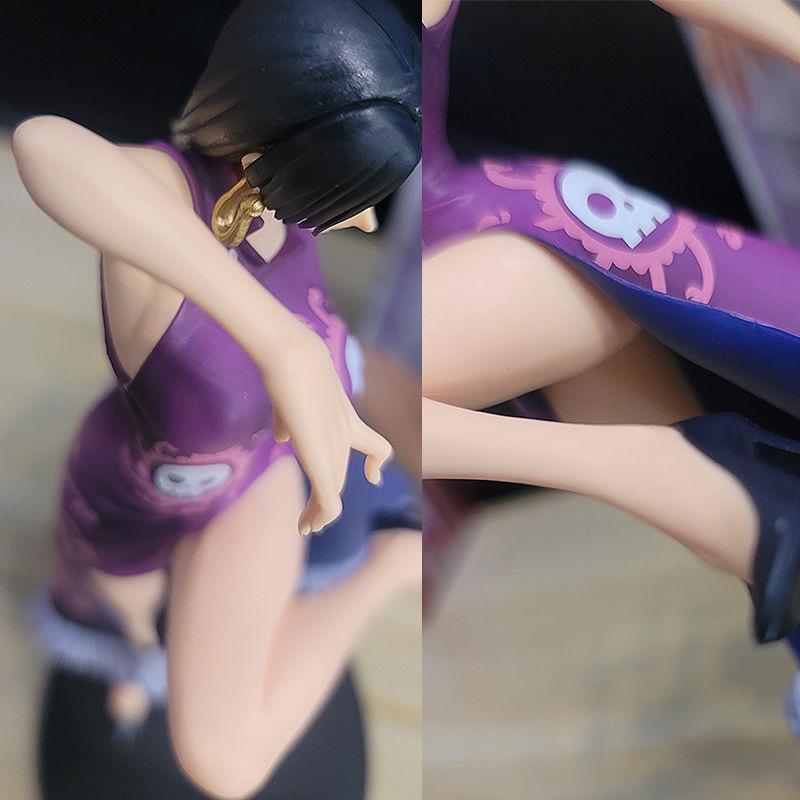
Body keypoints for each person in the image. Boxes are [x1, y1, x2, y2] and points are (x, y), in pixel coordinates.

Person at [14, 1, 421, 796]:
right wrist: (277, 339)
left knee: (224, 761)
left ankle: (386, 569)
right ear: (269, 153)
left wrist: (333, 375)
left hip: (253, 480)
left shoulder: (289, 212)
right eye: (348, 192)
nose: (364, 222)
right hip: (136, 492)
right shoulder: (169, 193)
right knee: (123, 610)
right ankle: (136, 656)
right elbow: (44, 145)